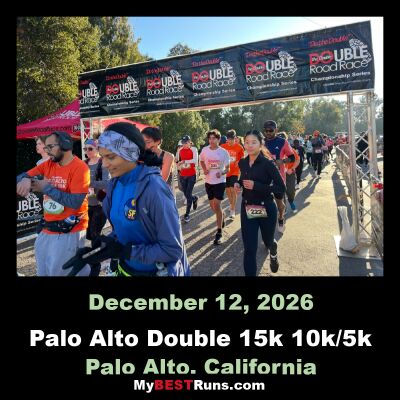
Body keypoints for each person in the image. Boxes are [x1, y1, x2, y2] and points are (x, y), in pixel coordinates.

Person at [63, 122, 191, 277]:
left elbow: (172, 250)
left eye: (110, 157)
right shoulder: (114, 184)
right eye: (102, 157)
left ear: (130, 153)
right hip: (125, 270)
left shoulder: (154, 189)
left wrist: (127, 251)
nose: (104, 164)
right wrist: (98, 250)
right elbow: (122, 231)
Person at [16, 131, 90, 276]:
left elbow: (75, 202)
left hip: (70, 230)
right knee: (43, 271)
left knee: (61, 272)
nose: (47, 151)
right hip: (48, 227)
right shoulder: (48, 164)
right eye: (46, 147)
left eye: (50, 147)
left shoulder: (81, 168)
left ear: (65, 145)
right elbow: (21, 176)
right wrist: (25, 178)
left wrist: (46, 188)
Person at [234, 130, 286, 276]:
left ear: (261, 144)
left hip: (266, 208)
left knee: (268, 241)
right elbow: (243, 178)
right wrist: (239, 184)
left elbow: (281, 188)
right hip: (248, 208)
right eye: (247, 142)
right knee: (249, 248)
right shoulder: (243, 162)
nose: (250, 145)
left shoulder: (268, 164)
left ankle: (273, 249)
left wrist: (257, 186)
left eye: (254, 142)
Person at [84, 138, 111, 276]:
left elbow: (107, 183)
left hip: (100, 204)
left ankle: (95, 267)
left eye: (90, 148)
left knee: (94, 235)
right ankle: (108, 246)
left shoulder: (103, 163)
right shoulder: (83, 163)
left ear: (97, 149)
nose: (87, 151)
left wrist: (89, 183)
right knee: (90, 235)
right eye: (85, 149)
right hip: (86, 204)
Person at [263, 120, 295, 233]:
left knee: (280, 204)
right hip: (264, 179)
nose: (268, 133)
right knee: (263, 203)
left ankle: (281, 218)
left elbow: (292, 157)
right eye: (266, 131)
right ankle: (266, 224)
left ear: (276, 130)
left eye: (271, 130)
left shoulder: (282, 142)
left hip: (278, 178)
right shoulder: (261, 142)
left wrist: (282, 161)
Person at [199, 129, 230, 245]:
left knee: (217, 205)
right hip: (208, 182)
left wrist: (221, 173)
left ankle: (219, 232)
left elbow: (228, 169)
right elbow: (202, 161)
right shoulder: (205, 150)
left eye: (214, 138)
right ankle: (222, 215)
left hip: (220, 182)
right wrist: (204, 169)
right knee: (213, 207)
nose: (211, 140)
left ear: (219, 139)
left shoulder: (223, 152)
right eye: (210, 138)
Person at [142, 127, 175, 196]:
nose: (145, 145)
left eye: (148, 142)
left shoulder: (168, 157)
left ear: (158, 141)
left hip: (160, 195)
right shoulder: (140, 155)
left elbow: (162, 180)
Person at [221, 129, 245, 218]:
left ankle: (232, 210)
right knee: (227, 190)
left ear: (235, 138)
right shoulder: (223, 146)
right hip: (226, 172)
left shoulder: (239, 147)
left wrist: (239, 161)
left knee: (232, 189)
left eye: (232, 139)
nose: (230, 141)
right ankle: (231, 205)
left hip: (235, 171)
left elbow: (242, 158)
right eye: (228, 139)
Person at [176, 135, 198, 222]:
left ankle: (187, 214)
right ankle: (194, 198)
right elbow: (177, 160)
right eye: (183, 142)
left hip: (191, 175)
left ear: (190, 142)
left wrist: (185, 161)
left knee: (188, 194)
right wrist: (178, 164)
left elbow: (195, 160)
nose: (184, 144)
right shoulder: (180, 150)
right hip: (182, 175)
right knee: (186, 194)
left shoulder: (194, 149)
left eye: (186, 142)